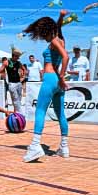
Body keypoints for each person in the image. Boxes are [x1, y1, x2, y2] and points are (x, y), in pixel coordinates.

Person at [23, 10, 70, 162]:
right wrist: (61, 17)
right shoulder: (61, 39)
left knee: (40, 111)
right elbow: (59, 28)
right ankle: (64, 147)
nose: (42, 37)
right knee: (60, 114)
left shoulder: (54, 41)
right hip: (57, 82)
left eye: (42, 33)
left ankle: (35, 146)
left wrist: (62, 77)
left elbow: (66, 56)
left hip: (51, 78)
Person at [0, 48, 24, 112]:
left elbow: (24, 69)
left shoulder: (18, 63)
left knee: (19, 99)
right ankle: (19, 113)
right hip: (11, 83)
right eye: (17, 57)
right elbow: (0, 70)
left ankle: (16, 112)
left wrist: (23, 77)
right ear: (14, 56)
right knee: (15, 99)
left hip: (18, 83)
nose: (18, 58)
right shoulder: (7, 62)